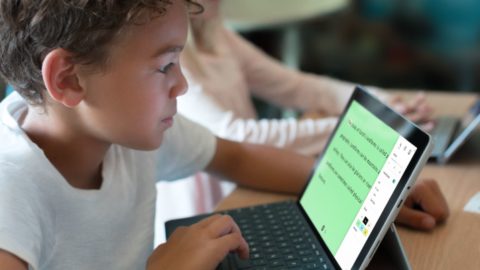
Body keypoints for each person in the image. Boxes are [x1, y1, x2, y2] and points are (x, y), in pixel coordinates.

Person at [0, 1, 448, 269]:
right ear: (70, 80)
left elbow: (235, 158)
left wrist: (365, 194)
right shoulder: (11, 192)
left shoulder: (123, 138)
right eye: (165, 66)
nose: (182, 85)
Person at [158, 0, 434, 225]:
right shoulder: (176, 58)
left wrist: (382, 103)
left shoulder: (217, 34)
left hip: (249, 174)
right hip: (210, 194)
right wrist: (362, 125)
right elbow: (236, 137)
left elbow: (296, 86)